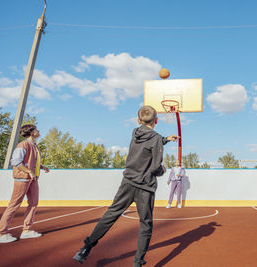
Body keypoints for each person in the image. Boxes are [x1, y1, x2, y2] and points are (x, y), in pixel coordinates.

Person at [73, 105, 178, 267]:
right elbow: (155, 167)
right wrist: (162, 170)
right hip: (145, 188)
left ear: (138, 120)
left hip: (127, 183)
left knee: (111, 215)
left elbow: (147, 144)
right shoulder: (155, 138)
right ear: (156, 121)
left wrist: (165, 140)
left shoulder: (135, 133)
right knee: (145, 224)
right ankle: (138, 262)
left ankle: (85, 248)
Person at [0, 124, 50, 243]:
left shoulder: (34, 146)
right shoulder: (23, 145)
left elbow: (31, 162)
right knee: (14, 204)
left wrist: (42, 167)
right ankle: (1, 233)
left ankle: (26, 230)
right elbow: (16, 162)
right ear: (31, 132)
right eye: (36, 129)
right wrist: (28, 171)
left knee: (33, 203)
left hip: (33, 179)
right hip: (23, 179)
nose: (38, 130)